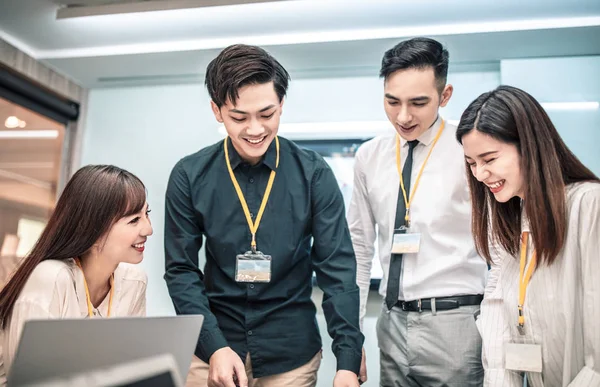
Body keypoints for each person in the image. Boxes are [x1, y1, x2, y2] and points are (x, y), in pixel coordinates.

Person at [164, 44, 363, 387]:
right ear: (217, 110)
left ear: (282, 105)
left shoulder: (314, 174)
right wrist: (213, 347)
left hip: (291, 353)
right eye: (239, 117)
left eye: (267, 114)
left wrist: (347, 359)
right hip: (214, 350)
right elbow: (181, 270)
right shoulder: (189, 175)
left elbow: (337, 271)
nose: (255, 129)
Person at [347, 37, 488, 386]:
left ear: (445, 95)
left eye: (418, 103)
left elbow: (501, 250)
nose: (403, 116)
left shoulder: (468, 150)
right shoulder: (369, 156)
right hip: (390, 320)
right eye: (392, 101)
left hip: (457, 321)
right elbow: (359, 250)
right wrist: (350, 337)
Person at [457, 85, 600, 386]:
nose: (480, 175)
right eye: (472, 163)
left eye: (490, 159)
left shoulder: (589, 206)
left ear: (529, 146)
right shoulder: (510, 219)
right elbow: (497, 314)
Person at [0, 164, 152, 384]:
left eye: (146, 214)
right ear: (94, 228)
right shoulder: (51, 277)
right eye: (134, 220)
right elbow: (29, 382)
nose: (148, 229)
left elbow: (134, 369)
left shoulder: (134, 281)